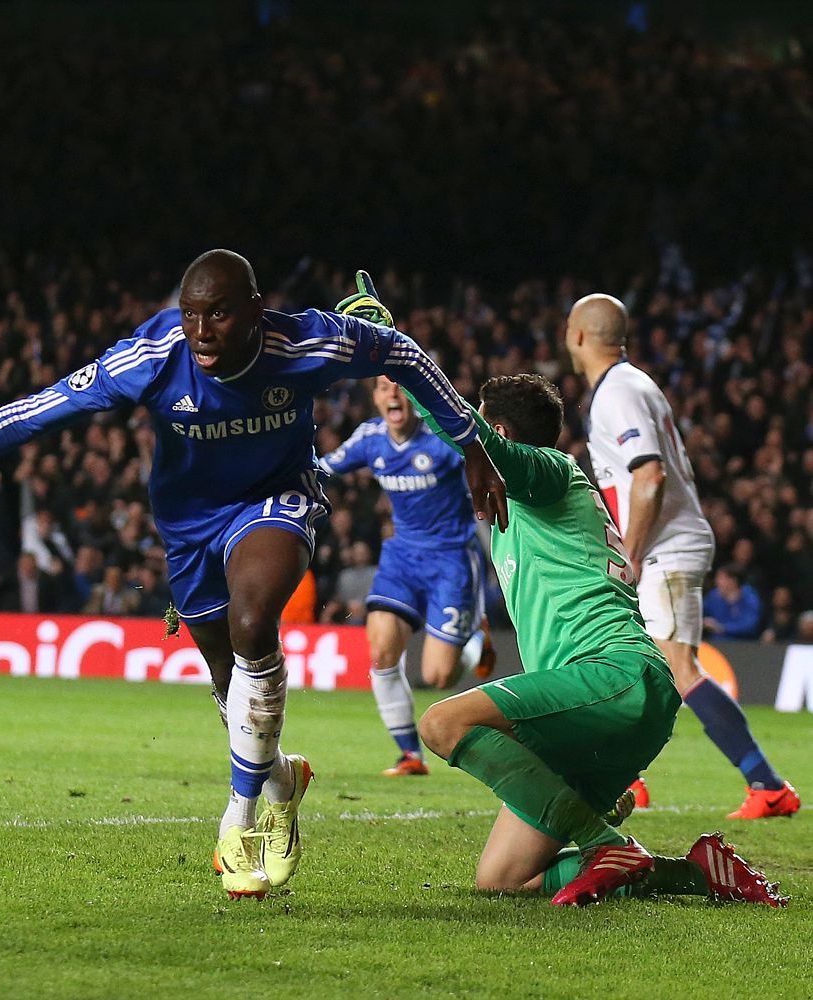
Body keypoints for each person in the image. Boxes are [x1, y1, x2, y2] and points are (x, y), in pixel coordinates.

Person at [0, 250, 508, 899]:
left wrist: (470, 437)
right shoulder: (152, 355)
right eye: (192, 312)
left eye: (221, 313)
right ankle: (281, 784)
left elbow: (402, 351)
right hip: (188, 527)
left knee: (254, 619)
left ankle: (238, 822)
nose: (201, 329)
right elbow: (37, 411)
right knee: (228, 678)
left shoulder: (305, 342)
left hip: (276, 499)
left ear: (256, 311)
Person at [413, 374, 784, 907]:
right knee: (504, 879)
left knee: (442, 722)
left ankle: (602, 840)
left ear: (497, 429)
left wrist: (405, 366)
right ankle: (696, 874)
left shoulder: (547, 473)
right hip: (591, 703)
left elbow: (476, 439)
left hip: (612, 673)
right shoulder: (520, 501)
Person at [565, 293, 798, 819]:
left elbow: (648, 474)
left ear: (577, 336)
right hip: (670, 541)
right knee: (639, 663)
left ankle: (767, 786)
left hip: (666, 547)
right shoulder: (630, 383)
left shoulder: (617, 393)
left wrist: (630, 553)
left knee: (677, 666)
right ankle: (630, 781)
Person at [320, 375, 495, 777]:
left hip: (451, 560)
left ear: (414, 396)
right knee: (380, 651)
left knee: (438, 675)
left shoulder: (441, 438)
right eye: (383, 388)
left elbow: (483, 452)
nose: (393, 394)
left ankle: (474, 638)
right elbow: (324, 468)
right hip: (401, 558)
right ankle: (409, 755)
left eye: (400, 386)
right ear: (376, 399)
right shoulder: (371, 438)